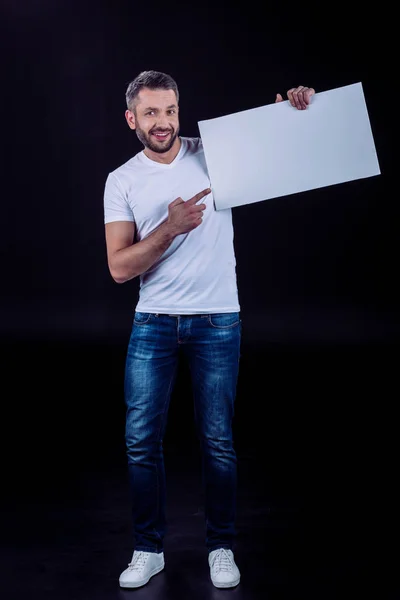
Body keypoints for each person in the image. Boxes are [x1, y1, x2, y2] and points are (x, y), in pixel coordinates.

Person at [103, 70, 315, 589]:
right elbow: (119, 267)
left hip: (219, 319)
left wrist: (292, 110)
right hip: (153, 323)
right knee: (139, 441)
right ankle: (147, 549)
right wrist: (170, 227)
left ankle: (221, 547)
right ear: (132, 118)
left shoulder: (215, 151)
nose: (163, 122)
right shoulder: (121, 179)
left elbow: (285, 150)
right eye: (151, 113)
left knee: (218, 440)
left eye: (170, 110)